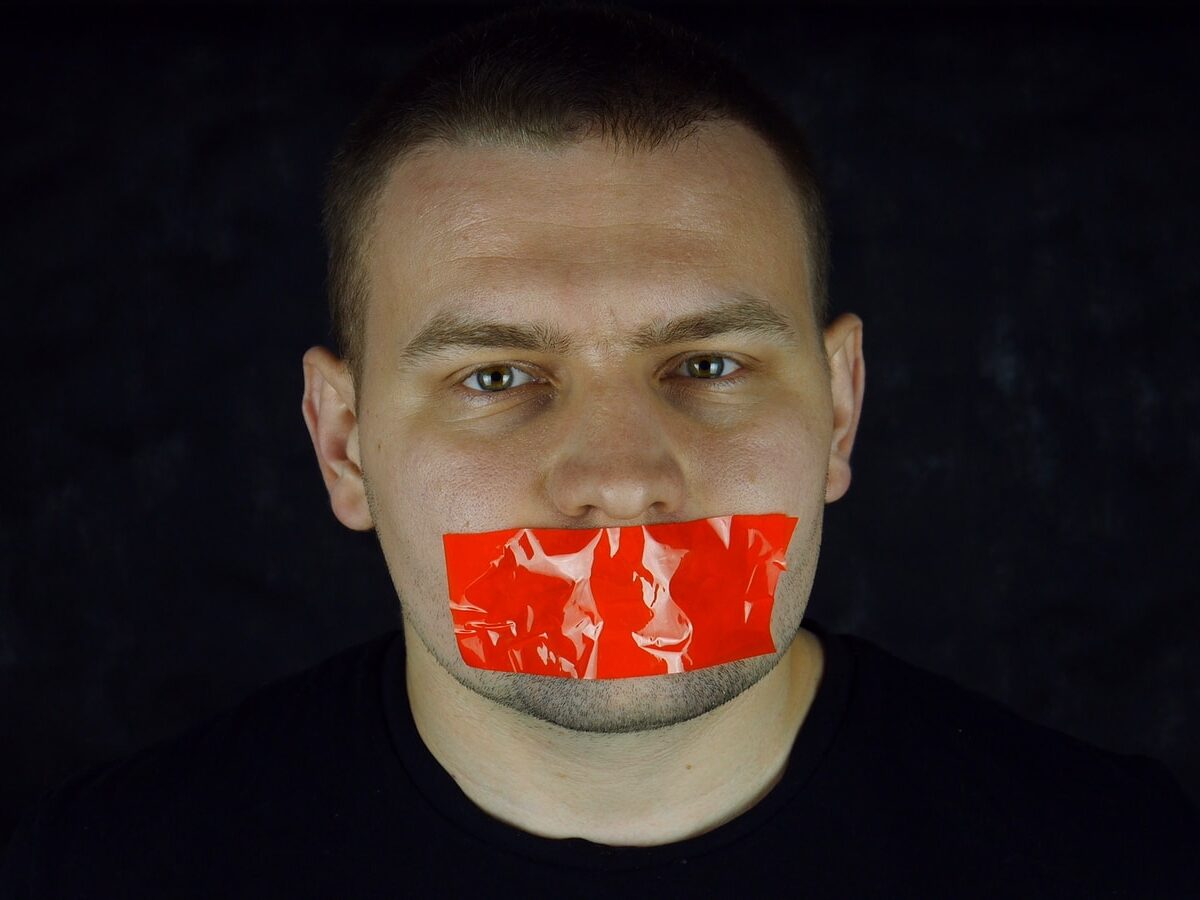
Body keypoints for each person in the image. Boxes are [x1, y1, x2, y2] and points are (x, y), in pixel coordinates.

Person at [2, 4, 1196, 896]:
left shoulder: (1124, 861)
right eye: (498, 378)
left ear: (839, 409)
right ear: (345, 447)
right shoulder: (106, 871)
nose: (621, 479)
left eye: (709, 366)